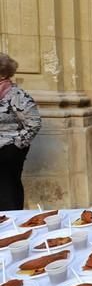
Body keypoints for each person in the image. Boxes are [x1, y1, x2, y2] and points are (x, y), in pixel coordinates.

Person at [0, 54, 41, 210]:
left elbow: (34, 123)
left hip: (9, 150)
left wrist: (15, 146)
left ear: (3, 74)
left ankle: (12, 225)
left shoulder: (17, 95)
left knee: (7, 190)